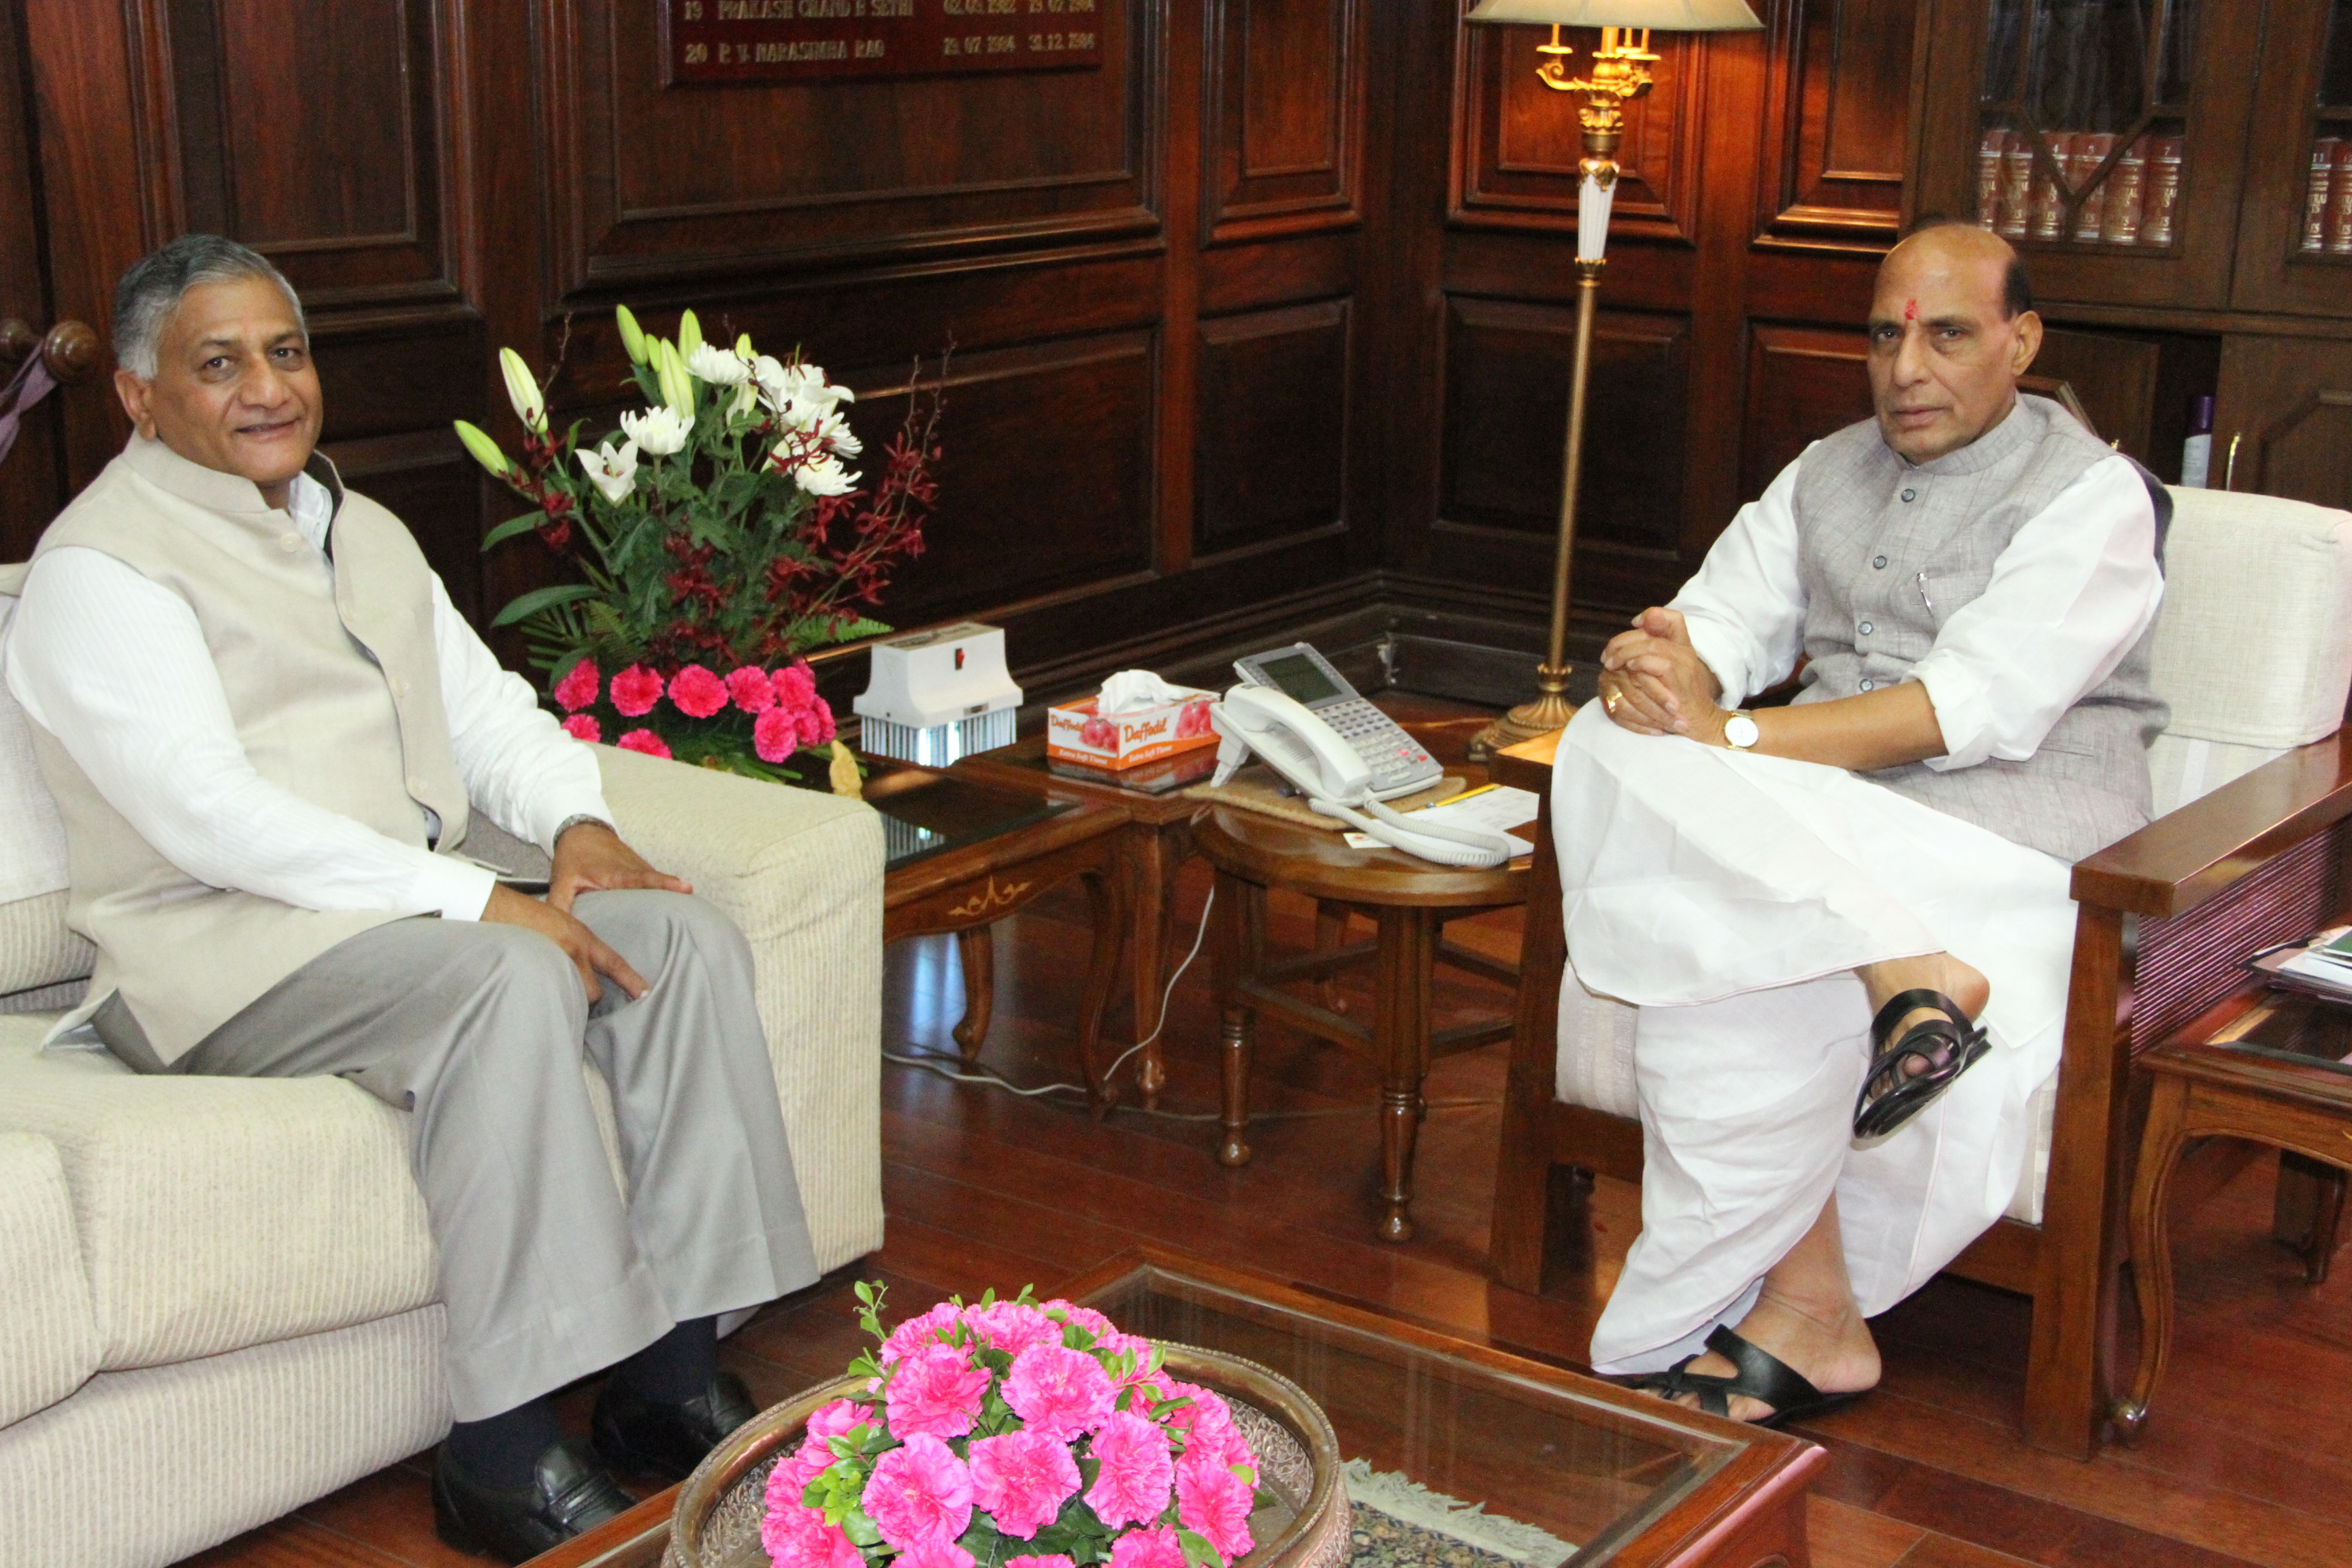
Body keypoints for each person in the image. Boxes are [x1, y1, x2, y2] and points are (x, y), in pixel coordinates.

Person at [0, 234, 823, 1559]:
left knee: (677, 935)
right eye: (220, 365)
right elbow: (204, 817)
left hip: (390, 918)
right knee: (506, 977)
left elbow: (490, 712)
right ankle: (499, 1455)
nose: (268, 387)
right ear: (140, 398)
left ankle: (670, 1381)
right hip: (216, 957)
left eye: (287, 352)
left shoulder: (353, 525)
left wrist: (579, 821)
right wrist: (470, 902)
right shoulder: (99, 569)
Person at [1554, 220, 2167, 1425]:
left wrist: (1723, 736)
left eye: (1947, 336)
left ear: (2020, 342)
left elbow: (1966, 708)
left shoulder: (2097, 496)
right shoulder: (1824, 469)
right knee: (1598, 738)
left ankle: (1817, 1305)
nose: (1906, 371)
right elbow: (1719, 623)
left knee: (1719, 929)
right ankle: (1905, 982)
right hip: (1824, 823)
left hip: (2017, 844)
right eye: (1885, 336)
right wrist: (1658, 663)